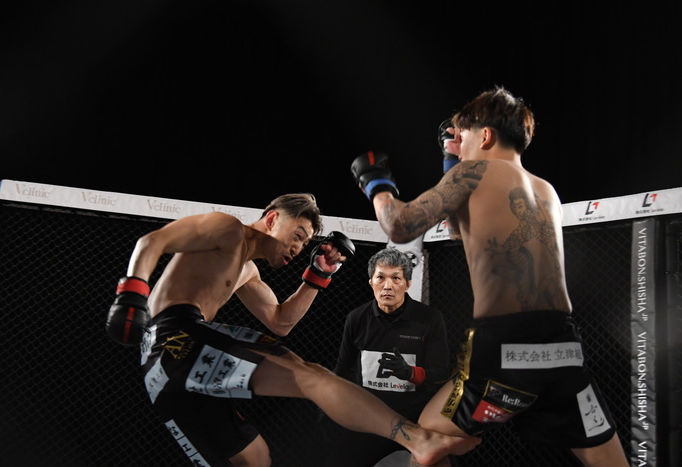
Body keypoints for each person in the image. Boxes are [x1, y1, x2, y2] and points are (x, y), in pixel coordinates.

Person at [350, 87, 629, 467]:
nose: (459, 146)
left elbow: (399, 226)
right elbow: (459, 232)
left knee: (428, 437)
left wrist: (375, 182)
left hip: (505, 346)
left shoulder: (474, 172)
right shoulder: (546, 190)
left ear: (485, 136)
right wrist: (450, 160)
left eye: (462, 137)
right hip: (562, 348)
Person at [105, 193, 480, 467]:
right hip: (175, 338)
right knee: (311, 376)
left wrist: (318, 275)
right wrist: (131, 293)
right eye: (298, 234)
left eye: (305, 242)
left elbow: (280, 321)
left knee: (254, 458)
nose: (299, 247)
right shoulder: (226, 228)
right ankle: (417, 438)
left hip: (165, 369)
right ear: (272, 218)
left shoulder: (247, 270)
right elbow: (152, 241)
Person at [321, 247, 451, 467]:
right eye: (380, 277)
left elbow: (442, 373)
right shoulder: (357, 318)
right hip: (368, 419)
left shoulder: (429, 319)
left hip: (413, 421)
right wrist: (327, 405)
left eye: (396, 278)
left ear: (407, 284)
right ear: (371, 282)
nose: (387, 286)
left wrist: (409, 373)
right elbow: (342, 368)